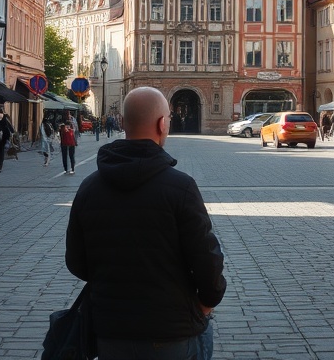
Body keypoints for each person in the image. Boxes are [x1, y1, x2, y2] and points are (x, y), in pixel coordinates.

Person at [66, 86, 226, 360]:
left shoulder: (89, 187)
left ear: (124, 123)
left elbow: (76, 262)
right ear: (163, 124)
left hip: (110, 330)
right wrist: (205, 305)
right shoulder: (181, 188)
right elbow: (208, 261)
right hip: (172, 332)